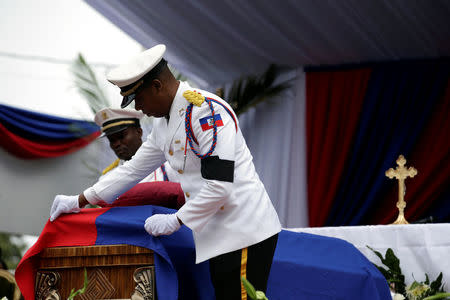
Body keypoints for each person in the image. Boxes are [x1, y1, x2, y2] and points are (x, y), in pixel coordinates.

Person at [50, 44, 281, 299]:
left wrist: (177, 219)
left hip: (242, 229)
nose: (137, 107)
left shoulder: (206, 111)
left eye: (138, 98)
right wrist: (79, 200)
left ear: (158, 86)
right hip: (218, 233)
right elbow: (132, 170)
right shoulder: (164, 124)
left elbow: (220, 184)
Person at [94, 107, 177, 182]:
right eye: (111, 140)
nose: (116, 144)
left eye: (121, 136)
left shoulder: (169, 165)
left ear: (139, 132)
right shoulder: (107, 178)